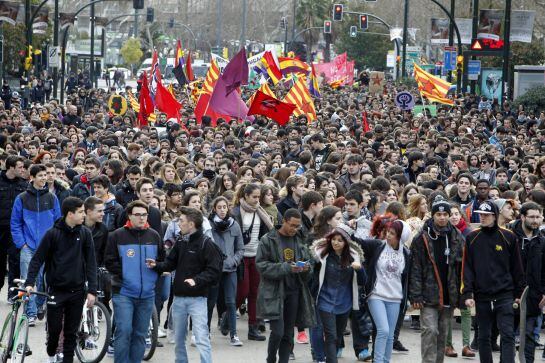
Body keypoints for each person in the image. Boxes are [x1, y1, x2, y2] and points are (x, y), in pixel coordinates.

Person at [24, 197, 97, 363]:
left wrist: (92, 290)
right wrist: (29, 282)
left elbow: (91, 262)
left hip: (77, 291)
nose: (84, 215)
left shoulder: (85, 233)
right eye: (80, 212)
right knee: (55, 330)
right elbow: (37, 260)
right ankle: (51, 350)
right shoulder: (52, 234)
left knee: (71, 333)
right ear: (70, 214)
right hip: (56, 291)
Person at [146, 206, 223, 363]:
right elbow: (170, 263)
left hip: (198, 300)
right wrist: (156, 265)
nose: (178, 223)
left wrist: (197, 280)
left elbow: (214, 271)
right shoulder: (181, 241)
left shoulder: (207, 244)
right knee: (179, 340)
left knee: (201, 338)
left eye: (181, 220)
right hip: (179, 299)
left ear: (192, 223)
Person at [461, 200, 525, 363]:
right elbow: (467, 267)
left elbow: (517, 267)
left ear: (495, 216)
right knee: (483, 336)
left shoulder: (508, 237)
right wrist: (468, 292)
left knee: (507, 334)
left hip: (505, 294)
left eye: (486, 215)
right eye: (480, 215)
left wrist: (519, 293)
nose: (482, 218)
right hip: (482, 295)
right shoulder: (472, 238)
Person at [104, 200, 164, 362]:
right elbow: (109, 261)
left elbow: (162, 260)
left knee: (140, 334)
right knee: (124, 330)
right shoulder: (117, 235)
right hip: (123, 292)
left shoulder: (154, 235)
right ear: (130, 216)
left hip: (147, 294)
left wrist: (155, 270)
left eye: (144, 215)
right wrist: (126, 274)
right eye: (138, 215)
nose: (142, 218)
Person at [409, 196, 464, 363]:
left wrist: (463, 294)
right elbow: (415, 268)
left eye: (445, 214)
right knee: (430, 330)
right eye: (438, 214)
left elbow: (462, 267)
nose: (442, 217)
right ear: (433, 215)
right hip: (428, 295)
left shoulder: (457, 236)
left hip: (449, 294)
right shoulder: (422, 238)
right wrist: (415, 295)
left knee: (442, 333)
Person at [256, 208, 316, 363]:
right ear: (284, 221)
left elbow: (309, 269)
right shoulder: (268, 239)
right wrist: (287, 267)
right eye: (292, 225)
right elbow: (261, 266)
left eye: (298, 226)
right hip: (274, 292)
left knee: (288, 334)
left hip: (294, 291)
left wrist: (305, 269)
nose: (294, 229)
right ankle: (271, 359)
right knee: (277, 332)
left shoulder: (299, 240)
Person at [354, 218, 411, 363]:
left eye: (392, 233)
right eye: (388, 232)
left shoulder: (406, 254)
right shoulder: (377, 245)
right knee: (383, 330)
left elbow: (407, 279)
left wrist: (409, 298)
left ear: (400, 237)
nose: (388, 235)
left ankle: (386, 360)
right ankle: (378, 361)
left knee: (390, 335)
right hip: (376, 295)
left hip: (395, 297)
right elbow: (357, 242)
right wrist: (348, 227)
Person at [11, 164, 61, 325]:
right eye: (40, 175)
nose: (44, 178)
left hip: (48, 247)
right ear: (32, 178)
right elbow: (16, 223)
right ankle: (30, 312)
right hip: (29, 247)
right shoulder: (22, 198)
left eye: (45, 175)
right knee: (28, 280)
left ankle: (39, 306)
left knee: (44, 280)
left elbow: (58, 222)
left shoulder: (53, 198)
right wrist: (22, 244)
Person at [311, 227, 363, 363]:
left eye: (340, 240)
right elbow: (313, 277)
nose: (336, 243)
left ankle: (328, 357)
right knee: (331, 336)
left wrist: (360, 269)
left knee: (338, 337)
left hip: (344, 303)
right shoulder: (322, 256)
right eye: (333, 239)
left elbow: (364, 281)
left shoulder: (353, 258)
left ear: (346, 242)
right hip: (324, 301)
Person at [231, 184, 273, 341]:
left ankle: (253, 328)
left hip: (256, 255)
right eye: (254, 197)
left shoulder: (261, 212)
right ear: (246, 196)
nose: (257, 200)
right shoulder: (236, 212)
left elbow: (268, 232)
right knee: (243, 291)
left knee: (255, 292)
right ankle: (228, 315)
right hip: (241, 257)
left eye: (258, 197)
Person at [507, 202, 545, 363]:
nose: (535, 220)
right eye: (531, 217)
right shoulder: (510, 238)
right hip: (509, 294)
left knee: (529, 334)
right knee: (508, 335)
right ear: (522, 217)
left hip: (533, 295)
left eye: (538, 217)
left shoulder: (542, 241)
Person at [208, 196, 245, 346]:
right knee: (211, 302)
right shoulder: (208, 225)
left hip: (230, 269)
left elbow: (240, 248)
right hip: (214, 270)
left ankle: (234, 335)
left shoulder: (234, 225)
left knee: (231, 302)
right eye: (219, 207)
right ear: (214, 209)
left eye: (225, 207)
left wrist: (234, 260)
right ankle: (206, 333)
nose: (222, 210)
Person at [0, 155, 27, 298]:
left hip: (15, 228)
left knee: (15, 261)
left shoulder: (23, 184)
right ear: (11, 167)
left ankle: (13, 292)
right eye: (20, 167)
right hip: (0, 227)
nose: (23, 170)